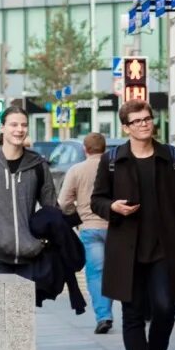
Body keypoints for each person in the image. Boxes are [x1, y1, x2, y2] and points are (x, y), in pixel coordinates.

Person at [91, 101, 175, 350]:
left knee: (165, 306)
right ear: (126, 127)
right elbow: (97, 200)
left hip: (165, 249)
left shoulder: (173, 158)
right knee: (132, 313)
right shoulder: (113, 160)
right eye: (136, 121)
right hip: (127, 250)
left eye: (147, 119)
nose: (144, 125)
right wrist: (112, 207)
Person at [0, 106, 57, 279]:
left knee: (25, 306)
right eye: (14, 125)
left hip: (31, 255)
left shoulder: (38, 165)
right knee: (0, 306)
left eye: (24, 125)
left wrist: (42, 240)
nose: (19, 130)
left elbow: (51, 209)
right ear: (2, 128)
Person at [58, 133, 114, 333]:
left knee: (96, 273)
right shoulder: (113, 168)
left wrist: (78, 213)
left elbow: (63, 203)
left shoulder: (76, 170)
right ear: (105, 148)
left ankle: (103, 316)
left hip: (90, 228)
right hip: (116, 228)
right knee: (119, 272)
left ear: (85, 149)